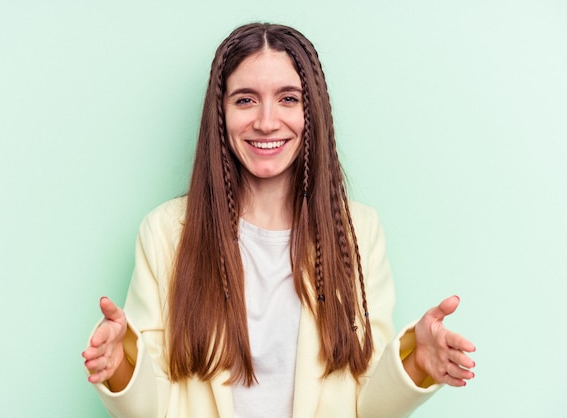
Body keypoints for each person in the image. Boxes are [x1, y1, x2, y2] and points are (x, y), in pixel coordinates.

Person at [82, 22, 476, 418]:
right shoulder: (165, 232)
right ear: (220, 113)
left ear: (312, 110)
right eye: (245, 100)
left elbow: (368, 404)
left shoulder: (358, 231)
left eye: (288, 98)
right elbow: (155, 407)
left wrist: (418, 365)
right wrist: (119, 369)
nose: (267, 122)